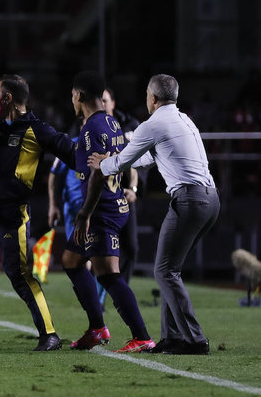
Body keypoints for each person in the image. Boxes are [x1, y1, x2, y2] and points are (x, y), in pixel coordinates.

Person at [88, 74, 219, 355]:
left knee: (165, 270)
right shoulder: (184, 120)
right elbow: (147, 159)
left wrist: (103, 163)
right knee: (170, 270)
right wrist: (120, 158)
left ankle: (194, 340)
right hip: (211, 200)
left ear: (153, 98)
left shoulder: (154, 123)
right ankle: (172, 338)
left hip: (190, 199)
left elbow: (123, 161)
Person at [0, 74, 74, 351]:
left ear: (8, 98)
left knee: (19, 274)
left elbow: (72, 153)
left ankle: (50, 335)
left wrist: (101, 161)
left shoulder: (38, 130)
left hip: (12, 216)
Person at [62, 71, 154, 353]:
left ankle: (141, 336)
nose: (72, 101)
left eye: (73, 95)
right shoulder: (112, 122)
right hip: (114, 204)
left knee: (108, 274)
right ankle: (96, 328)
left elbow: (97, 175)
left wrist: (84, 214)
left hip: (101, 210)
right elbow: (125, 160)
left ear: (79, 96)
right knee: (71, 260)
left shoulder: (91, 128)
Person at [102, 88, 141, 286]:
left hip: (124, 195)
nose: (102, 104)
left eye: (105, 100)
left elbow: (136, 163)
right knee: (99, 250)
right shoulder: (89, 126)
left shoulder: (129, 126)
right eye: (99, 101)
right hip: (100, 195)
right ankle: (97, 298)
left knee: (131, 247)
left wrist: (133, 189)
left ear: (113, 103)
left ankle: (120, 289)